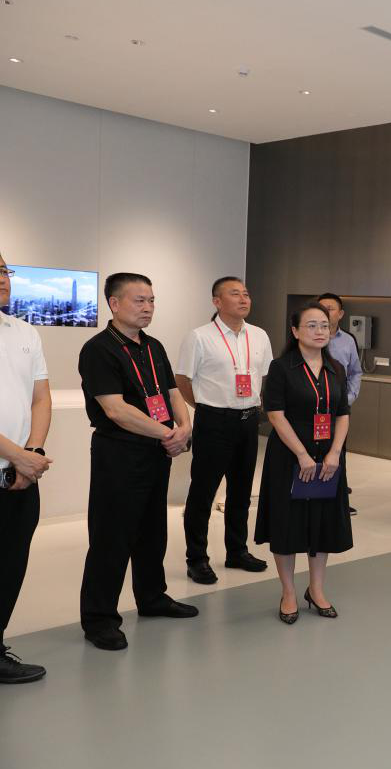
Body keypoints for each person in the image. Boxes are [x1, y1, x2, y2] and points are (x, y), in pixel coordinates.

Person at [79, 273, 198, 651]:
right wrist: (168, 434)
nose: (148, 307)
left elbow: (172, 391)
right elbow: (115, 410)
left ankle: (152, 597)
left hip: (157, 451)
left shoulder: (153, 346)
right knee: (112, 536)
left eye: (151, 300)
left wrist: (184, 426)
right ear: (114, 304)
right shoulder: (99, 349)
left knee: (152, 530)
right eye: (139, 300)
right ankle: (99, 619)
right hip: (120, 452)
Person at [253, 300, 352, 623]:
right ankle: (288, 592)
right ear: (295, 331)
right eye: (311, 325)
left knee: (322, 521)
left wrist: (335, 452)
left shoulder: (336, 368)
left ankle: (316, 589)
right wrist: (301, 454)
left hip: (328, 458)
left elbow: (343, 414)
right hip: (290, 456)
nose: (320, 331)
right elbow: (275, 414)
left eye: (324, 325)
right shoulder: (282, 368)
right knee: (287, 523)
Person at [175, 276, 273, 584]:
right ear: (217, 301)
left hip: (249, 420)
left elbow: (263, 376)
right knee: (203, 493)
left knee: (241, 491)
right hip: (214, 421)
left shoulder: (259, 335)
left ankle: (237, 551)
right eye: (235, 294)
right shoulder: (199, 336)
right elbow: (182, 380)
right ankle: (197, 558)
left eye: (246, 293)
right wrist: (205, 406)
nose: (244, 299)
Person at [0, 254, 53, 682]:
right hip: (15, 463)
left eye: (4, 271)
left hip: (20, 475)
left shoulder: (24, 331)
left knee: (10, 563)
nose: (3, 279)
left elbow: (41, 397)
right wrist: (17, 455)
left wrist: (31, 452)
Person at [318, 293, 362, 515]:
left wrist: (348, 398)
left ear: (341, 314)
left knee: (338, 452)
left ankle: (338, 502)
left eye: (330, 308)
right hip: (312, 406)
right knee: (314, 450)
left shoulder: (348, 340)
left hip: (338, 409)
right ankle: (312, 495)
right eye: (321, 307)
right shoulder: (308, 336)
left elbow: (355, 372)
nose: (325, 312)